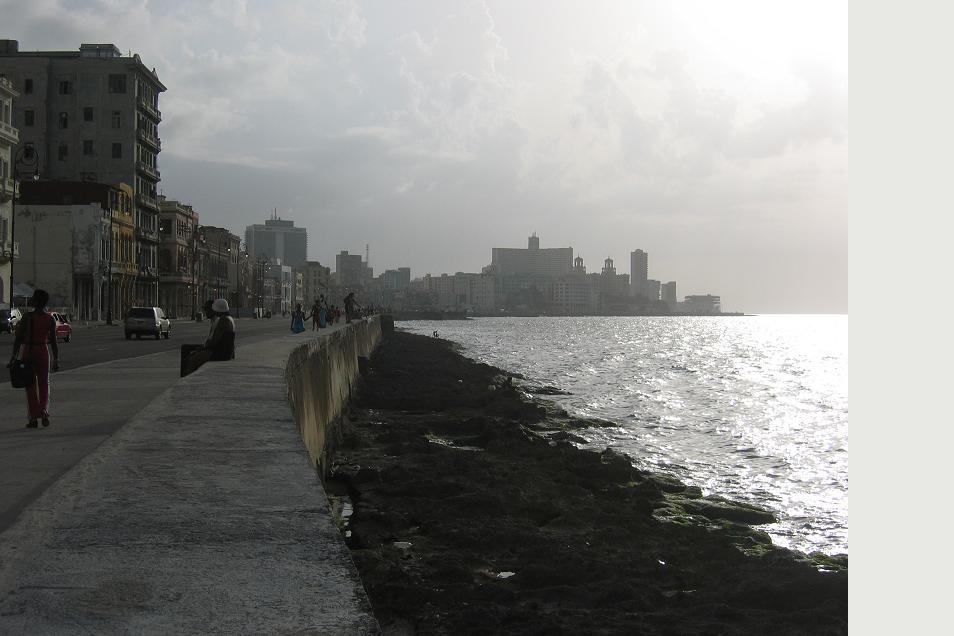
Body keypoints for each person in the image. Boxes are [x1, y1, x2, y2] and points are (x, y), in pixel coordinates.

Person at [8, 289, 60, 428]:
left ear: (35, 301)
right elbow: (54, 341)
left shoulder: (27, 317)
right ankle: (44, 410)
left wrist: (14, 356)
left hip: (28, 351)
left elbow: (19, 338)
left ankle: (33, 418)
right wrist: (56, 359)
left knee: (30, 385)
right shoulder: (50, 319)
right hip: (42, 351)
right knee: (44, 383)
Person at [183, 298, 235, 376]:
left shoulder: (223, 321)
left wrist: (203, 348)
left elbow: (214, 341)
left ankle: (187, 378)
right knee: (189, 351)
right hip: (224, 351)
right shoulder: (228, 318)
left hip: (220, 353)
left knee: (191, 360)